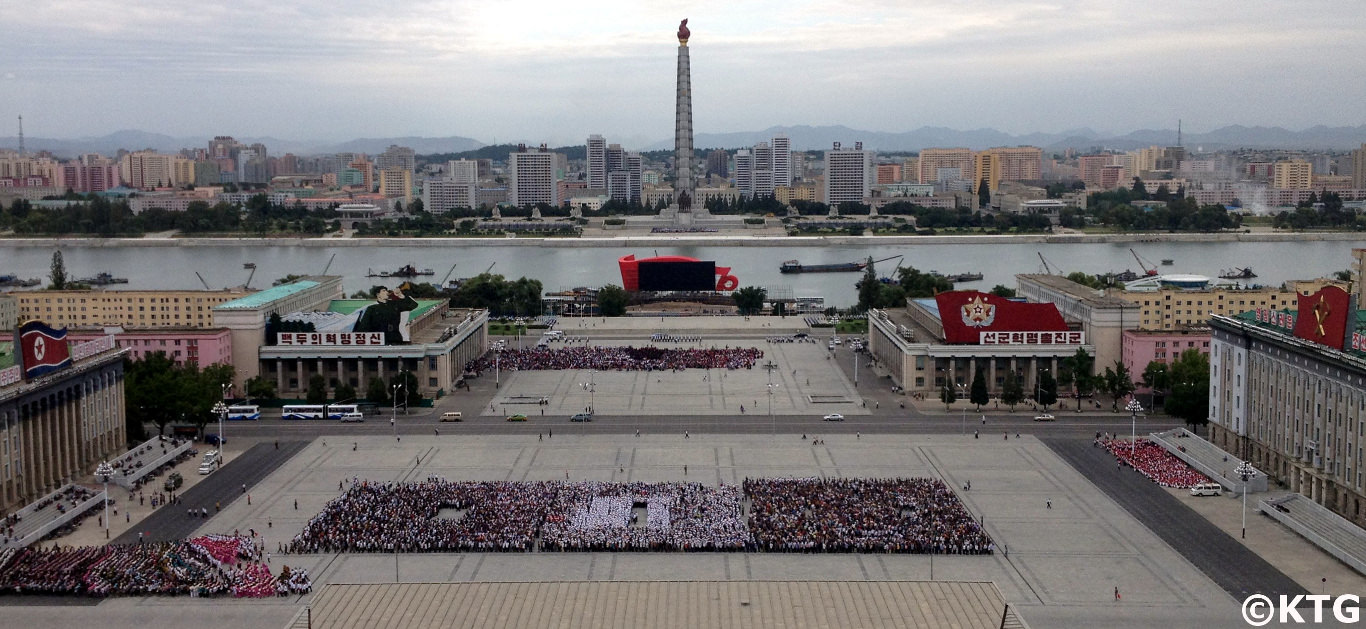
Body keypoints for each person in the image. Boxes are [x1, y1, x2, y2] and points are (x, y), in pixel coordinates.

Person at [353, 285, 419, 344]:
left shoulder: (394, 304)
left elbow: (413, 305)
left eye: (386, 290)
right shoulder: (372, 308)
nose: (387, 292)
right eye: (384, 291)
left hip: (395, 339)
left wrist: (401, 295)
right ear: (378, 294)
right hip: (379, 341)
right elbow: (364, 326)